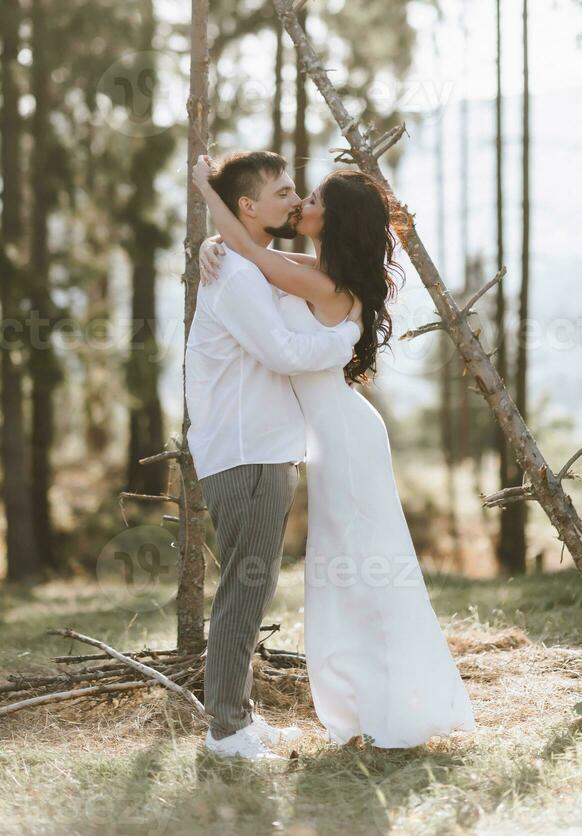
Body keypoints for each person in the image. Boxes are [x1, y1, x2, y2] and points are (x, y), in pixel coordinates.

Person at [194, 149, 477, 750]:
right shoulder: (309, 269)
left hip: (343, 440)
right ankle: (365, 698)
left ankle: (391, 702)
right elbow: (245, 252)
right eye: (298, 194)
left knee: (364, 568)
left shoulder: (321, 282)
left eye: (314, 200)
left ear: (334, 219)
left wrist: (203, 188)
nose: (303, 204)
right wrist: (207, 242)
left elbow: (247, 252)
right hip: (326, 438)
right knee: (347, 571)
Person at [184, 150, 363, 761]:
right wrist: (347, 339)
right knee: (245, 589)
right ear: (247, 207)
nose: (294, 200)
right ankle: (226, 731)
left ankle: (237, 717)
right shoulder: (234, 275)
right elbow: (284, 352)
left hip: (260, 449)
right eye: (284, 192)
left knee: (249, 589)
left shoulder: (240, 262)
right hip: (247, 452)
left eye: (296, 192)